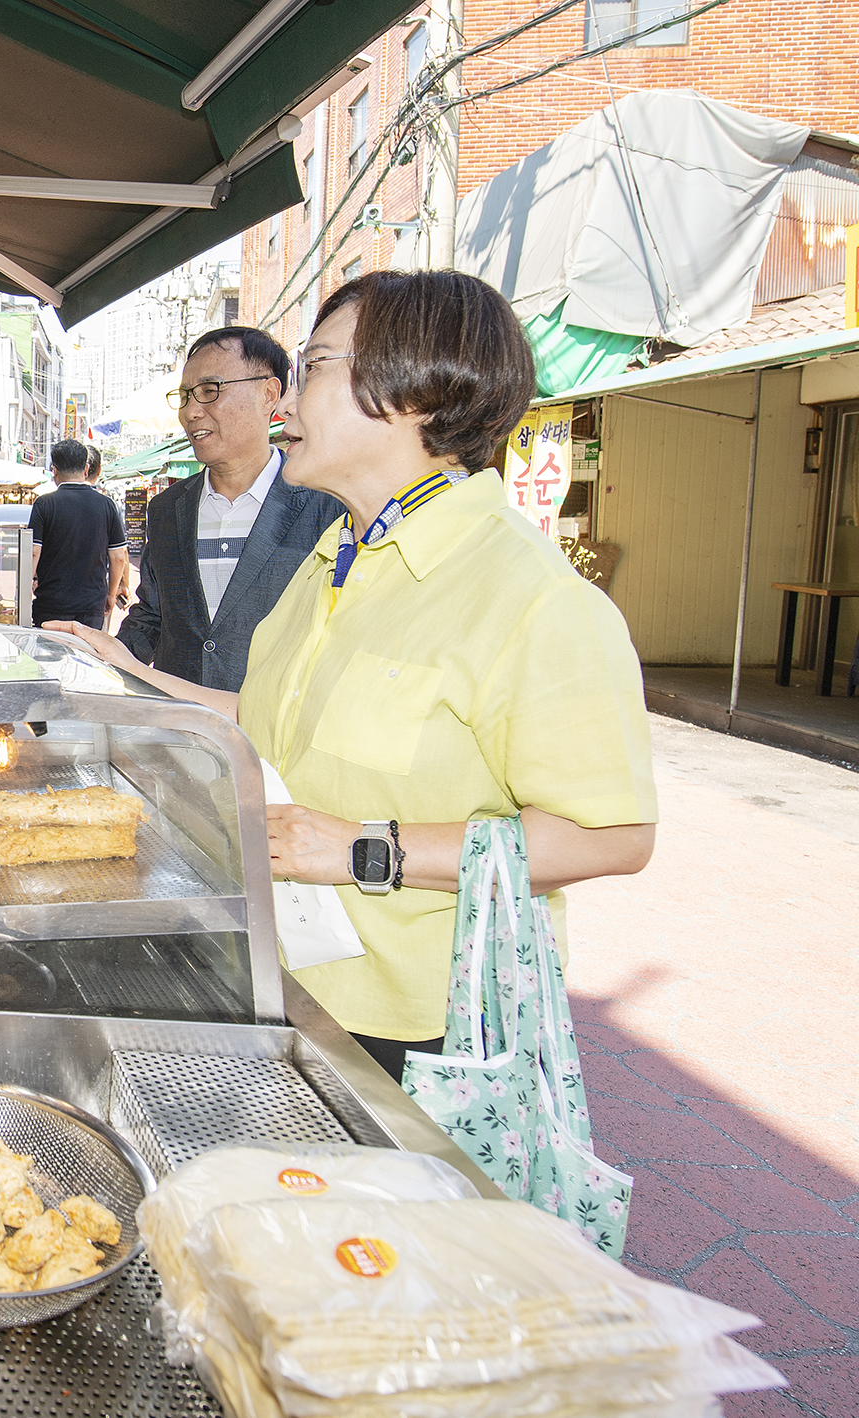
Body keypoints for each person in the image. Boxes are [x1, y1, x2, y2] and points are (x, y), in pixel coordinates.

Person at [51, 272, 655, 1083]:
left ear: (410, 390)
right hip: (293, 981)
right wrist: (132, 671)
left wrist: (366, 849)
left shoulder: (530, 594)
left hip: (427, 1032)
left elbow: (611, 834)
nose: (286, 405)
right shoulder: (336, 558)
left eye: (317, 367)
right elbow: (270, 715)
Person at [117, 326, 343, 692]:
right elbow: (152, 616)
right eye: (185, 396)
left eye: (209, 392)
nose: (191, 412)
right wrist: (100, 657)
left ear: (269, 394)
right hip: (181, 729)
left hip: (276, 737)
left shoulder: (326, 505)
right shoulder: (166, 509)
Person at [29, 439, 128, 630]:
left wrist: (25, 589)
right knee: (86, 658)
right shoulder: (107, 505)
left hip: (51, 604)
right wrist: (111, 593)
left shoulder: (44, 504)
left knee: (49, 657)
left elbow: (34, 552)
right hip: (91, 606)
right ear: (86, 469)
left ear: (54, 471)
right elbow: (118, 558)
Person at [82, 443, 133, 613]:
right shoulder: (108, 505)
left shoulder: (51, 502)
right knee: (95, 638)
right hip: (97, 594)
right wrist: (118, 588)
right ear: (99, 470)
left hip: (57, 595)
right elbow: (119, 554)